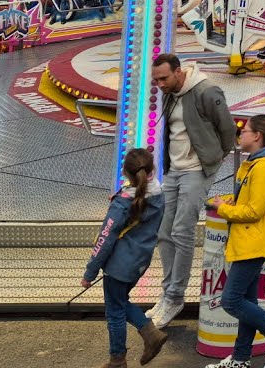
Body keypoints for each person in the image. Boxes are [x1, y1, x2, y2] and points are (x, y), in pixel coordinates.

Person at [146, 54, 236, 329]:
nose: (160, 84)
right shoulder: (169, 93)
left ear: (178, 72)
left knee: (182, 231)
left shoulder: (206, 91)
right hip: (174, 170)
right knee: (164, 231)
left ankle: (175, 296)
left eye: (164, 78)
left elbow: (227, 129)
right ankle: (167, 293)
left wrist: (214, 159)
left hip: (196, 170)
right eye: (156, 80)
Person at [207, 115, 265, 368]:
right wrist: (233, 203)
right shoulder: (257, 165)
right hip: (250, 239)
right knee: (248, 299)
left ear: (257, 136)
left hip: (253, 241)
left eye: (244, 131)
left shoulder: (264, 167)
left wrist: (224, 209)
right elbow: (254, 203)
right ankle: (240, 358)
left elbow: (254, 211)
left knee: (231, 300)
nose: (241, 134)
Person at [81, 148, 169, 368]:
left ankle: (118, 359)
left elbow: (105, 238)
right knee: (119, 301)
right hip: (140, 261)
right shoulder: (159, 194)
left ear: (126, 172)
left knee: (115, 311)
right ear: (151, 169)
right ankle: (150, 334)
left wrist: (90, 272)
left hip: (119, 264)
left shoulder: (123, 203)